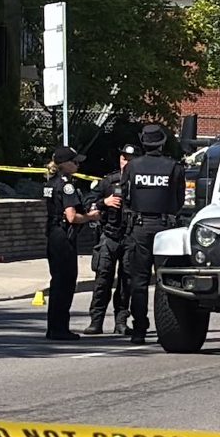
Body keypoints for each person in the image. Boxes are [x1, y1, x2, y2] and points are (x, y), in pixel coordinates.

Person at [120, 124, 186, 344]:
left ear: (143, 142)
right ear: (162, 142)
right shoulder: (173, 167)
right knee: (165, 280)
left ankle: (139, 329)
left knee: (138, 282)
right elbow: (179, 200)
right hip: (165, 227)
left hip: (138, 227)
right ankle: (165, 329)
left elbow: (125, 198)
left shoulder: (132, 167)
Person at [44, 146, 100, 341]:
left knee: (57, 281)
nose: (77, 165)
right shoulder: (66, 185)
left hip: (53, 234)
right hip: (63, 236)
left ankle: (54, 327)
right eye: (74, 162)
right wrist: (90, 217)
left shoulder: (51, 182)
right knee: (65, 282)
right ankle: (60, 329)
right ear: (64, 164)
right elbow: (71, 217)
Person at [86, 144, 136, 336]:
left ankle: (121, 321)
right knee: (102, 279)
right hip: (109, 235)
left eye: (130, 160)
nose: (126, 163)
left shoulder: (139, 183)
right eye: (124, 159)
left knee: (126, 282)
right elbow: (88, 202)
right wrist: (103, 202)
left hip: (130, 236)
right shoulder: (108, 181)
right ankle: (96, 321)